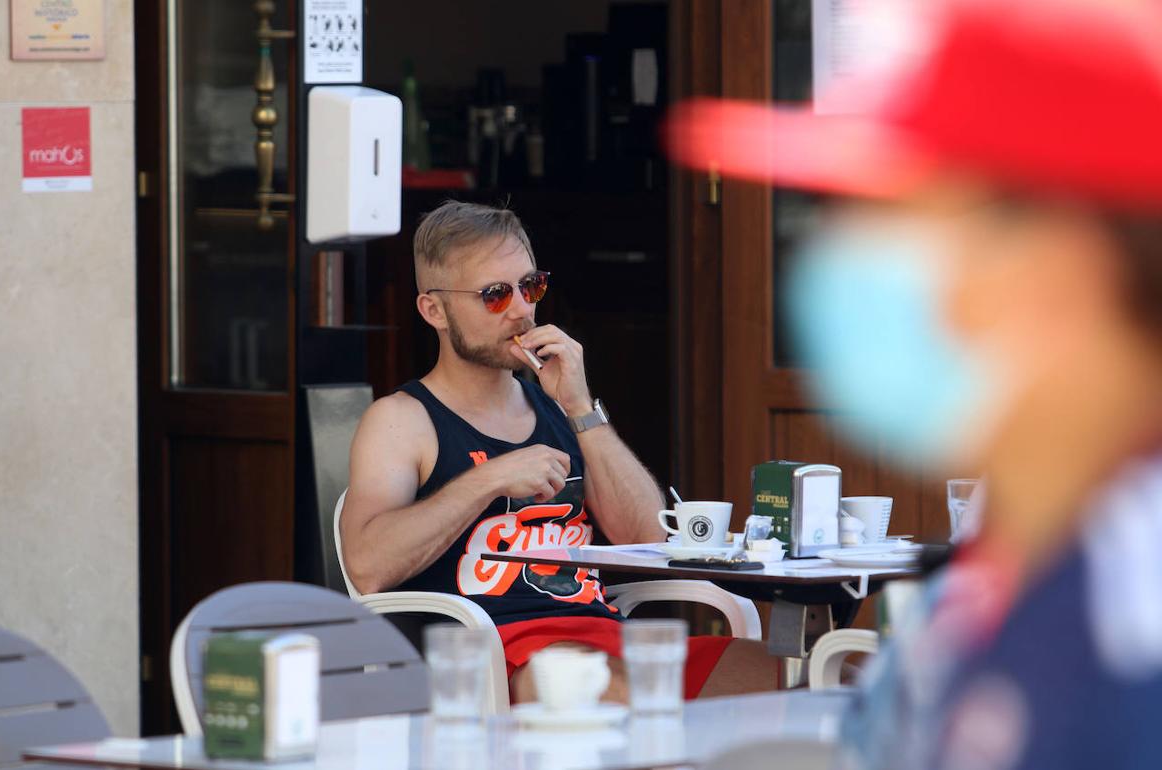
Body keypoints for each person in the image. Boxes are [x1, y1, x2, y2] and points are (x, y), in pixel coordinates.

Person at [666, 0, 1162, 767]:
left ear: (1061, 268)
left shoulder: (1134, 612)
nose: (837, 259)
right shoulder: (982, 587)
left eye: (887, 215)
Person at [340, 200, 776, 703]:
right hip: (496, 655)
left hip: (606, 641)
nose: (522, 309)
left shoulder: (560, 409)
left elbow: (652, 538)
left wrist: (580, 407)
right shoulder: (402, 420)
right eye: (495, 295)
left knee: (816, 678)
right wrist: (488, 480)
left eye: (530, 286)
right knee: (626, 697)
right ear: (434, 310)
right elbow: (368, 566)